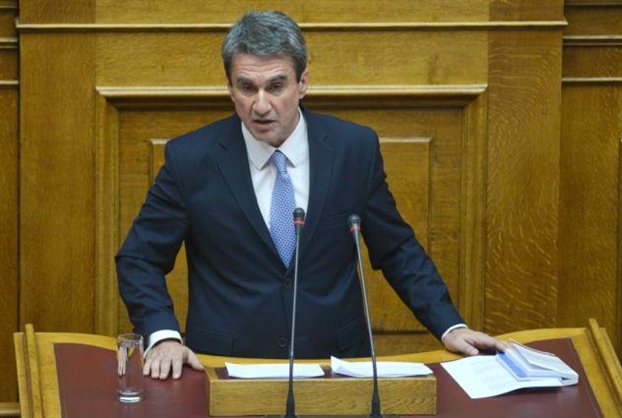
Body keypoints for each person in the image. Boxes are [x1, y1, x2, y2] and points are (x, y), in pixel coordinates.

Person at [116, 10, 506, 381]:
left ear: (303, 83)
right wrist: (162, 334)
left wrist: (450, 325)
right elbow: (139, 257)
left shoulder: (353, 149)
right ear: (230, 88)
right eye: (247, 87)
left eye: (276, 86)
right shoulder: (191, 159)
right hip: (227, 368)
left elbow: (397, 250)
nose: (261, 105)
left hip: (336, 366)